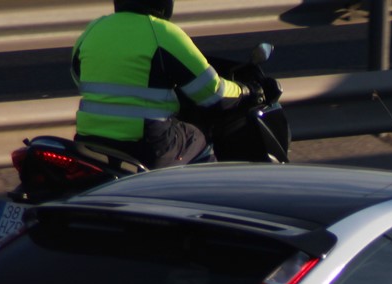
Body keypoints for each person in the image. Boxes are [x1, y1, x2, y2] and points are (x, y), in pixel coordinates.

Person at [70, 0, 257, 168]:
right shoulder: (162, 33)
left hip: (90, 141)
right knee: (196, 138)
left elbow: (79, 77)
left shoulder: (94, 29)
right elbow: (212, 93)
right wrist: (247, 90)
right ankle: (208, 200)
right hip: (146, 145)